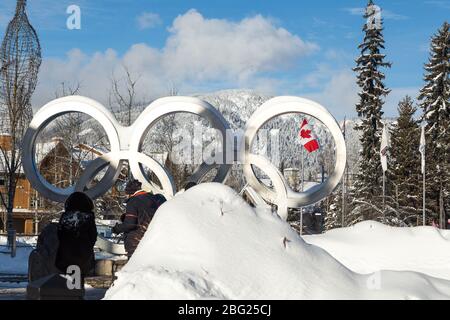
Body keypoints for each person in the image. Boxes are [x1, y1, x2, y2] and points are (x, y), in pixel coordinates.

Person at [112, 179, 166, 258]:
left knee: (135, 268)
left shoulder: (133, 201)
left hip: (136, 241)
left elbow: (130, 224)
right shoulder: (154, 199)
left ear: (130, 193)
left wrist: (117, 228)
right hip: (152, 238)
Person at [55, 192, 98, 278]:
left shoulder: (65, 217)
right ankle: (77, 290)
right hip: (83, 256)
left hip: (65, 256)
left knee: (68, 282)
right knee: (78, 281)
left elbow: (59, 235)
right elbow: (93, 236)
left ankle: (70, 290)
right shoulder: (88, 217)